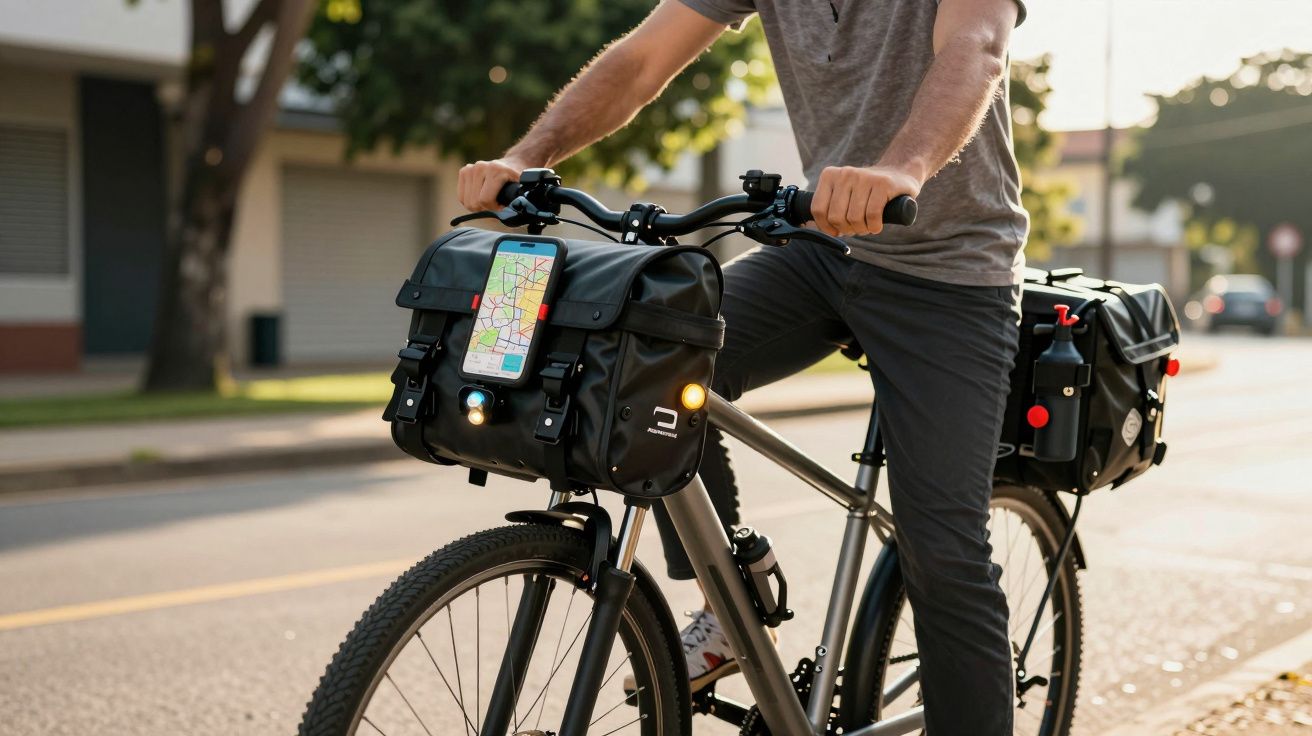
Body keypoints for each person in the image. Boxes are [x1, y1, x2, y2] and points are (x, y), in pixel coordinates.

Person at [458, 0, 1029, 732]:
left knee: (944, 553)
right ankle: (726, 607)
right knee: (648, 363)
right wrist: (527, 154)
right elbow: (641, 61)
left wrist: (900, 169)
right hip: (823, 248)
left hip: (951, 271)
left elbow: (977, 46)